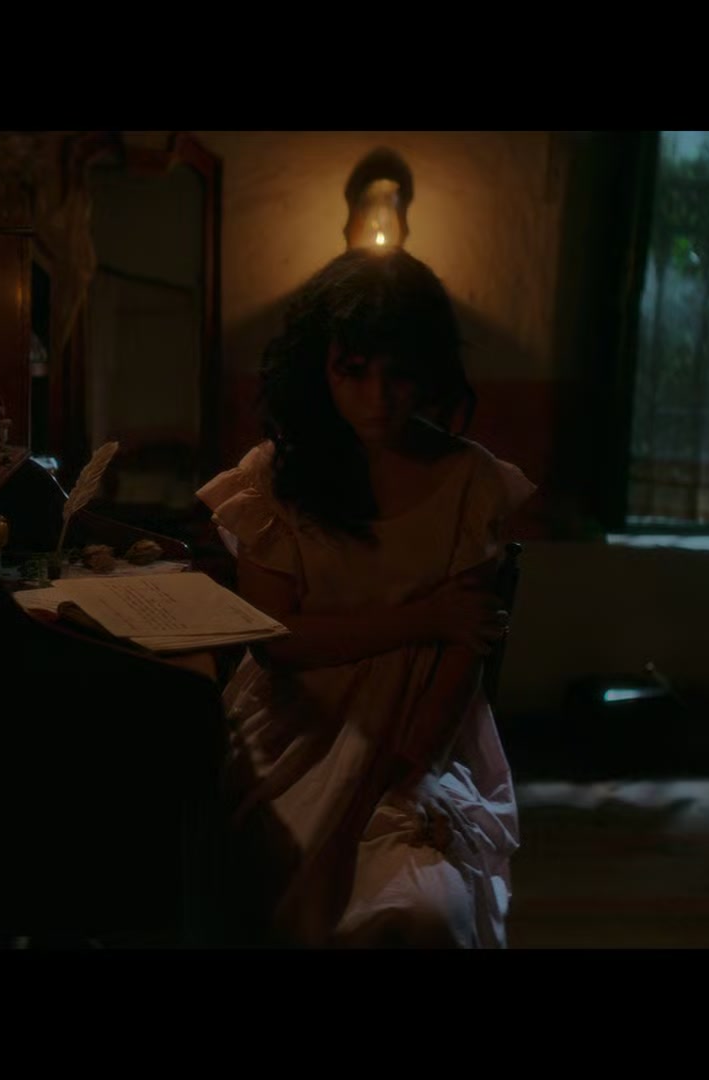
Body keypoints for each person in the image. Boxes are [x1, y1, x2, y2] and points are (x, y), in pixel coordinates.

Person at [198, 247, 532, 947]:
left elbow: (464, 648)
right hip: (294, 732)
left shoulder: (469, 481)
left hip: (419, 735)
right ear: (320, 368)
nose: (378, 397)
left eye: (399, 373)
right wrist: (422, 618)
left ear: (428, 370)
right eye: (354, 371)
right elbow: (276, 639)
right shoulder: (275, 477)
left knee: (423, 910)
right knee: (264, 891)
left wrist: (414, 768)